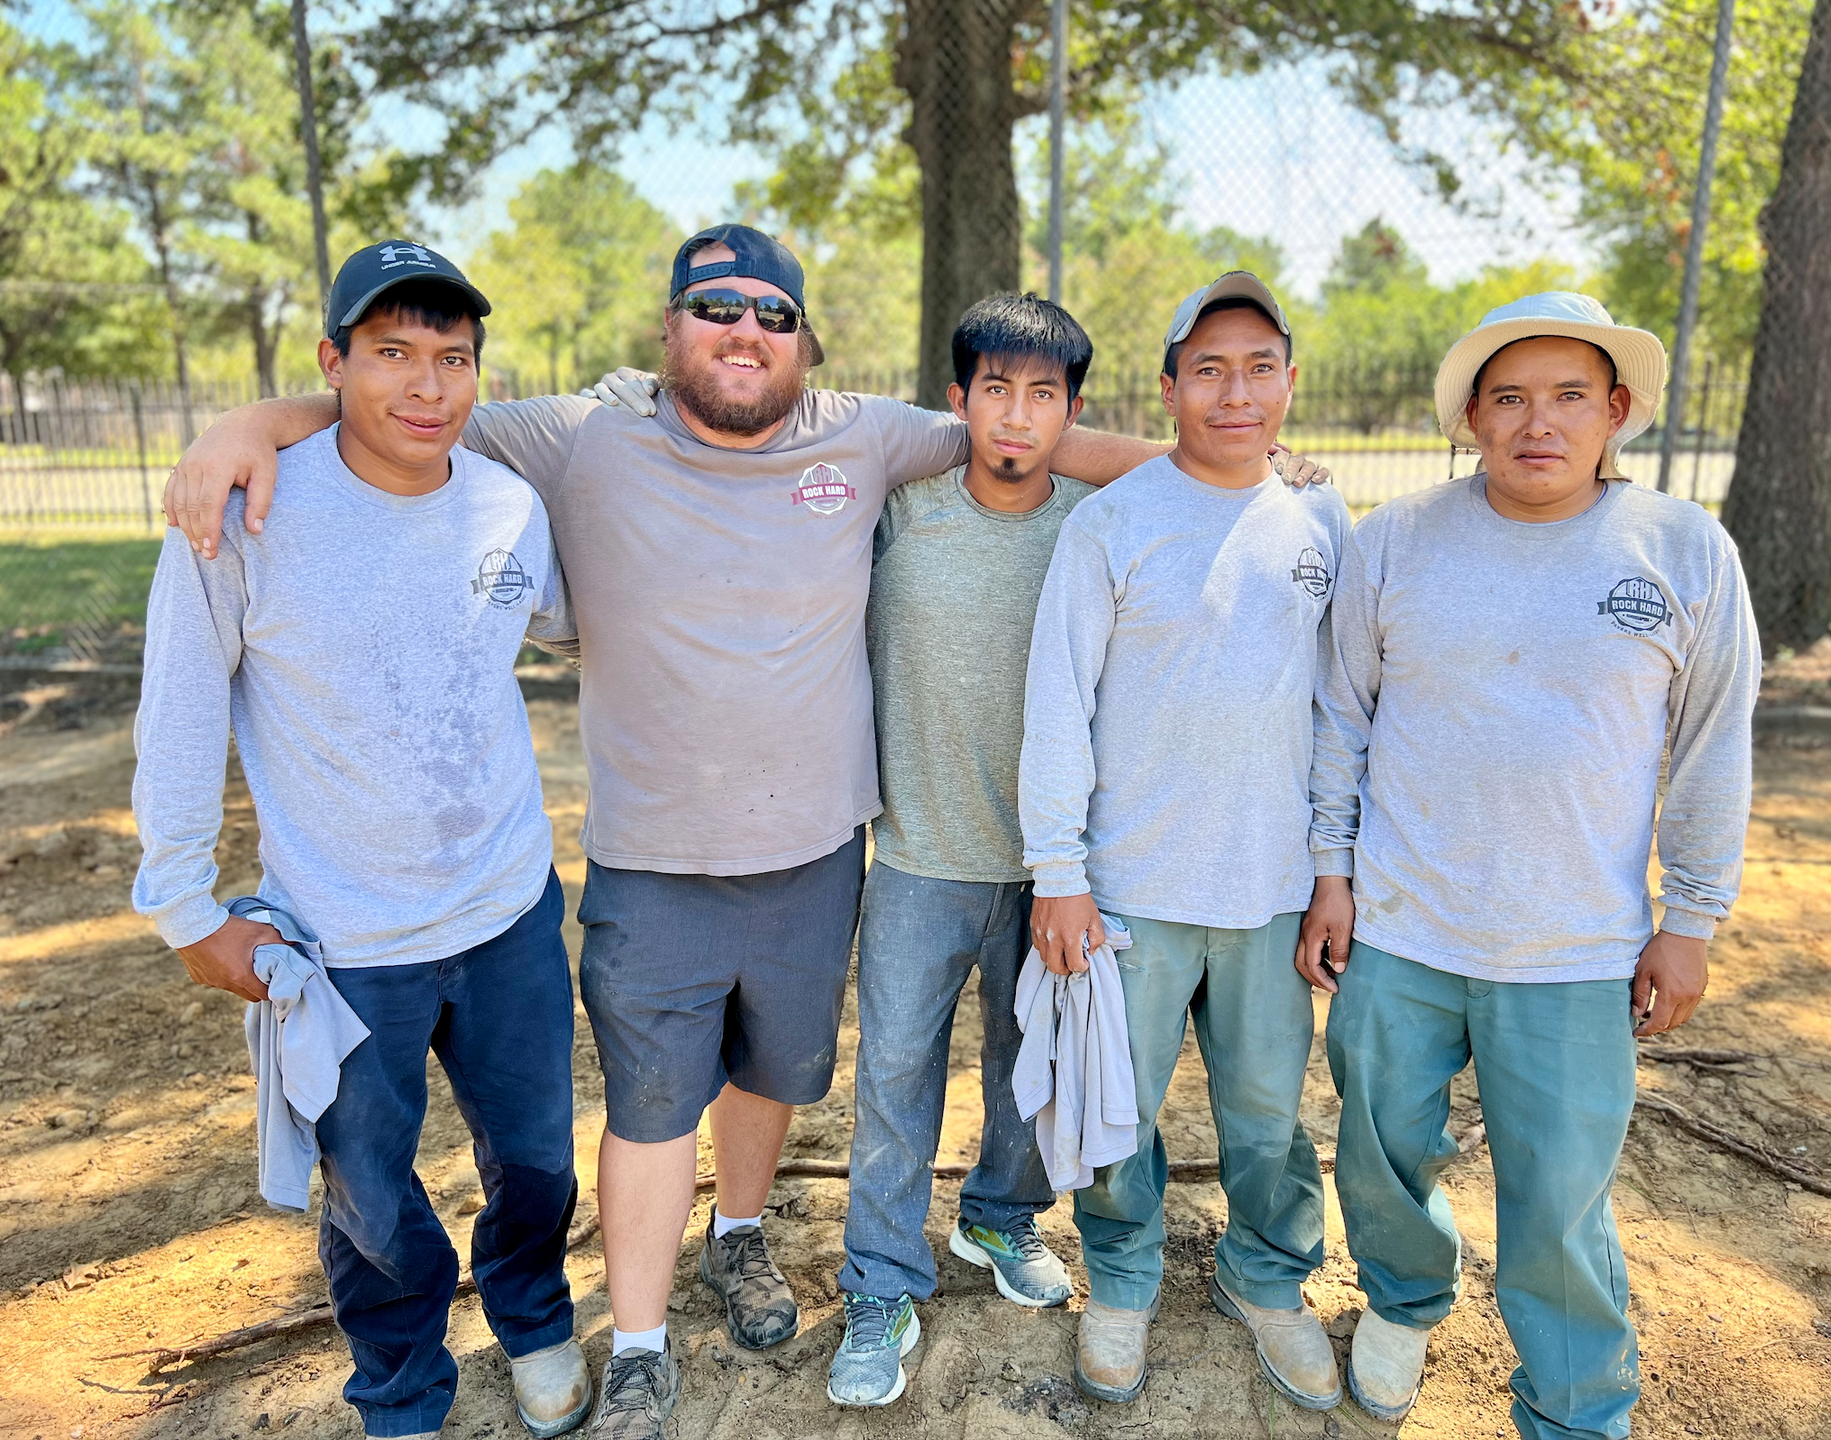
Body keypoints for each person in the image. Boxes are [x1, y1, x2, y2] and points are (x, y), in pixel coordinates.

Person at [160, 226, 1181, 1440]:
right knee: (646, 1106)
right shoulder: (577, 437)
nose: (745, 329)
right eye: (716, 307)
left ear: (804, 341)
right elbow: (388, 411)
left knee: (770, 1075)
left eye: (773, 313)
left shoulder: (861, 435)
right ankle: (635, 1347)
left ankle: (737, 1238)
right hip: (647, 860)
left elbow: (1027, 436)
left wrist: (1211, 455)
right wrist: (238, 426)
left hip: (813, 855)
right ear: (669, 330)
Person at [131, 242, 590, 1440]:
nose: (426, 387)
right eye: (391, 354)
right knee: (370, 1194)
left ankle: (536, 1320)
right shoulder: (244, 515)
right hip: (345, 940)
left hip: (507, 911)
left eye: (453, 359)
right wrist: (184, 904)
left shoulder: (508, 506)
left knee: (537, 1160)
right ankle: (400, 1382)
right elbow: (179, 702)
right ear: (332, 363)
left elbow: (559, 632)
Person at [1299, 292, 1760, 1440]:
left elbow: (1713, 747)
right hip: (1403, 926)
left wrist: (1692, 919)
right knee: (1379, 1147)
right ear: (1469, 418)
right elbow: (1338, 718)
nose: (1536, 422)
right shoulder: (1396, 540)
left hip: (1575, 946)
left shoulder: (1683, 550)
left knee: (1559, 1208)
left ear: (1616, 412)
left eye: (1567, 397)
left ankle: (1573, 1408)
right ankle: (1405, 1299)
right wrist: (1331, 870)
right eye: (1507, 397)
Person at [1020, 273, 1351, 1412]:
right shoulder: (1109, 524)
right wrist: (1058, 872)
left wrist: (1330, 871)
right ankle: (1121, 1278)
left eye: (1260, 368)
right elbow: (1058, 700)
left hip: (1269, 889)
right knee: (1122, 1108)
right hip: (1132, 886)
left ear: (1290, 384)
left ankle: (1267, 1279)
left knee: (1268, 1113)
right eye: (1207, 369)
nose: (1235, 391)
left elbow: (1340, 709)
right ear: (1168, 388)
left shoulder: (1323, 519)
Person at [827, 293, 1094, 1407]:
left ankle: (998, 1218)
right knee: (894, 1076)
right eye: (997, 390)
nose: (1018, 417)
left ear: (1073, 411)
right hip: (921, 859)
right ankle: (881, 1282)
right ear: (959, 400)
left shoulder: (1094, 518)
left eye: (1044, 396)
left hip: (1050, 866)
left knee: (1032, 1070)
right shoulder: (900, 508)